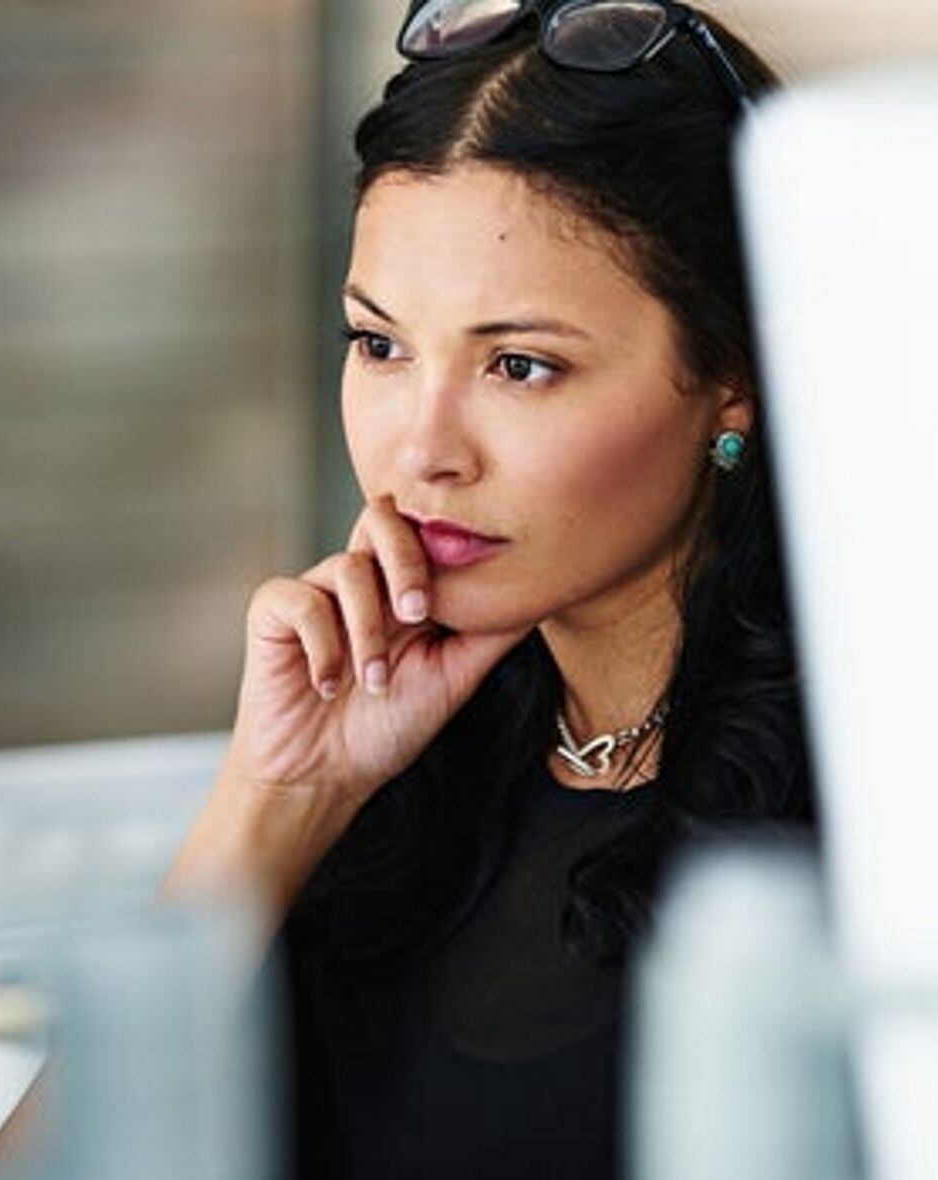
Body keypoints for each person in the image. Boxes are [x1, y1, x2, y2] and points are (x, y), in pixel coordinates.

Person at [165, 1, 815, 1175]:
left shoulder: (855, 839)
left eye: (519, 365)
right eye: (380, 345)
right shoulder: (394, 755)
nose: (421, 452)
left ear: (733, 375)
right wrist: (274, 804)